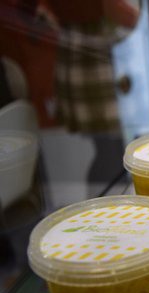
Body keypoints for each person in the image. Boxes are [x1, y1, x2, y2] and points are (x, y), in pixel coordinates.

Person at [45, 0, 139, 185]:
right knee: (111, 153)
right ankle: (109, 202)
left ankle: (106, 201)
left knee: (109, 151)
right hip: (93, 61)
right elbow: (119, 12)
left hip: (79, 50)